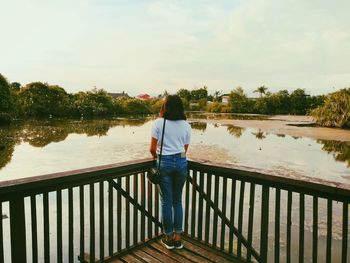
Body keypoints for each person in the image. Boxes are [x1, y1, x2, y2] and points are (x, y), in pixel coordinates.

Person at [149, 95, 191, 250]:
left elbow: (152, 149)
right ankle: (178, 238)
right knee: (177, 201)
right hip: (181, 163)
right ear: (181, 108)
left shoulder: (159, 123)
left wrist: (157, 158)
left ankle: (168, 237)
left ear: (164, 107)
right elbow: (185, 148)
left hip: (164, 163)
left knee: (166, 201)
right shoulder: (186, 125)